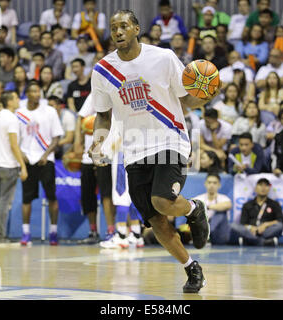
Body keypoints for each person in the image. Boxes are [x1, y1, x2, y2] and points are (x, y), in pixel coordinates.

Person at [89, 10, 220, 293]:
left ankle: (194, 208)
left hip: (169, 140)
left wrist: (207, 94)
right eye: (113, 28)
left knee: (162, 200)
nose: (118, 31)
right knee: (156, 221)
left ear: (136, 28)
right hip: (134, 150)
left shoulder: (163, 58)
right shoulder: (102, 70)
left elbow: (185, 102)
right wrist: (99, 140)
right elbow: (102, 115)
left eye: (124, 25)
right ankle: (191, 268)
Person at [15, 81, 63, 246]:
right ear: (27, 93)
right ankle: (26, 233)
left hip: (45, 160)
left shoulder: (49, 111)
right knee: (26, 198)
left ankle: (53, 232)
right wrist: (21, 155)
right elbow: (15, 140)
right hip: (28, 160)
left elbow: (56, 137)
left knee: (51, 197)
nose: (36, 94)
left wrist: (46, 154)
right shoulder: (19, 113)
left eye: (38, 91)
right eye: (33, 91)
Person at [75, 94, 116, 244]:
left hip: (107, 154)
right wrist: (77, 142)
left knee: (107, 194)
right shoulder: (95, 94)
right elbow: (80, 117)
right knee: (87, 195)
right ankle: (93, 231)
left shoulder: (115, 94)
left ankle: (111, 230)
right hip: (88, 154)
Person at [0, 91, 28, 243]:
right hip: (8, 165)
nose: (19, 100)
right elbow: (13, 144)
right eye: (16, 98)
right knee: (4, 202)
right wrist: (23, 166)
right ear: (9, 102)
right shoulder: (12, 118)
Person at [230, 178, 283, 246]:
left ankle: (252, 241)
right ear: (255, 188)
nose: (263, 188)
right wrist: (251, 227)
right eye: (260, 185)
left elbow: (280, 220)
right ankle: (261, 242)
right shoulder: (247, 205)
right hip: (251, 231)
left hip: (266, 231)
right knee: (233, 226)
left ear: (269, 188)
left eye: (266, 185)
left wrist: (265, 225)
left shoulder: (274, 204)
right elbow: (243, 223)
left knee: (279, 226)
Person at [194, 174, 232, 245]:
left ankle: (206, 235)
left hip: (221, 233)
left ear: (219, 185)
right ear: (205, 184)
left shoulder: (224, 198)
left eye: (214, 183)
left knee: (220, 213)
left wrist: (206, 207)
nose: (212, 185)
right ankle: (206, 235)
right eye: (209, 182)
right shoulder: (198, 198)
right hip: (203, 227)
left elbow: (228, 205)